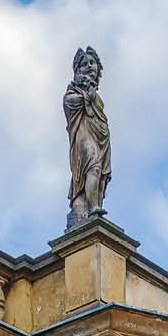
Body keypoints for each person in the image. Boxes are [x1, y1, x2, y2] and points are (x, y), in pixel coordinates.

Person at [64, 46, 111, 228]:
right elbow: (69, 103)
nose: (90, 66)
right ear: (77, 69)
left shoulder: (97, 97)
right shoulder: (73, 90)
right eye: (85, 64)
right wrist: (86, 97)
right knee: (92, 167)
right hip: (83, 135)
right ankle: (93, 208)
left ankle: (93, 205)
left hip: (101, 136)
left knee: (100, 176)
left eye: (92, 63)